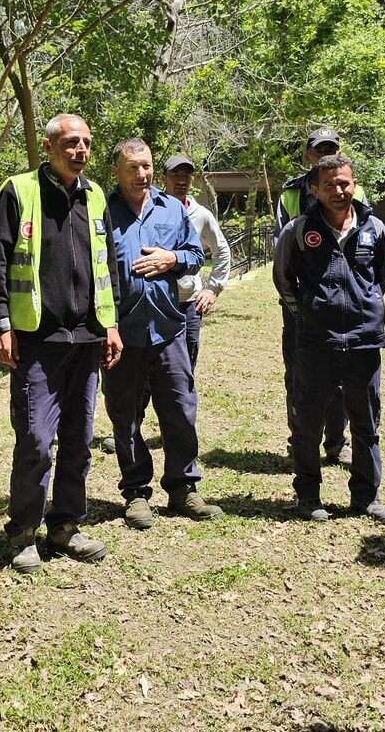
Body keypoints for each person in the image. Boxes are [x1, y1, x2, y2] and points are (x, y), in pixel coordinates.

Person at [0, 114, 123, 574]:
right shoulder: (19, 190)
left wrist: (113, 323)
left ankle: (65, 524)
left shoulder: (96, 194)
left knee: (80, 439)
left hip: (87, 337)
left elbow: (109, 265)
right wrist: (2, 323)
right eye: (69, 143)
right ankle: (23, 530)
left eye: (85, 143)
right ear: (48, 147)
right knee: (37, 440)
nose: (79, 150)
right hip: (37, 339)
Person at [103, 139, 218, 529]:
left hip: (169, 328)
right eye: (133, 167)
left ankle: (184, 488)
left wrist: (173, 259)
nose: (142, 174)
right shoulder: (101, 212)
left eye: (147, 166)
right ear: (116, 171)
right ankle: (136, 492)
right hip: (122, 335)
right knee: (125, 416)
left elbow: (196, 254)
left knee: (180, 410)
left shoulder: (172, 209)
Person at [274, 155, 385, 524]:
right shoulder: (298, 230)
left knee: (366, 423)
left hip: (364, 342)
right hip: (317, 343)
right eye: (329, 185)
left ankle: (366, 496)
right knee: (307, 424)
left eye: (344, 183)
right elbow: (284, 281)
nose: (339, 191)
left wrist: (363, 308)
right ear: (315, 189)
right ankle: (308, 495)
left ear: (354, 184)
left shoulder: (374, 228)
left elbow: (381, 277)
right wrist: (310, 313)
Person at [274, 127, 349, 464]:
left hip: (345, 306)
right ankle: (300, 444)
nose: (325, 155)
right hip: (300, 305)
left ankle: (336, 442)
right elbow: (281, 251)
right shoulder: (291, 195)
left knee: (343, 377)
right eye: (319, 150)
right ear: (308, 156)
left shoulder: (350, 191)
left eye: (331, 148)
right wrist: (296, 306)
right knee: (300, 375)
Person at [161, 154, 231, 370]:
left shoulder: (201, 214)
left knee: (186, 365)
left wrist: (212, 289)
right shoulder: (152, 209)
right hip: (158, 301)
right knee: (153, 365)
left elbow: (222, 250)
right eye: (175, 175)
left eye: (187, 175)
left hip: (189, 303)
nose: (182, 180)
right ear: (164, 178)